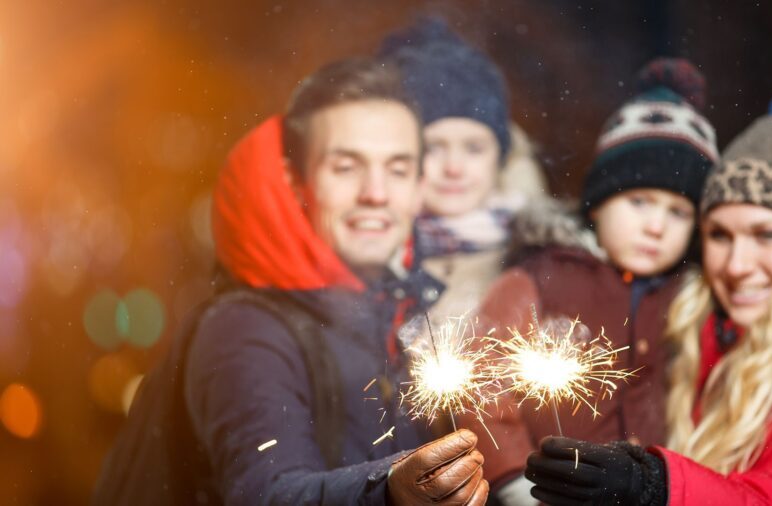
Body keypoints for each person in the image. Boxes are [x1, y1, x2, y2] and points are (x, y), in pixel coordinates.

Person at [94, 57, 489, 506]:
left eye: (397, 168)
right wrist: (388, 492)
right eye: (346, 166)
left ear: (420, 186)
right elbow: (268, 494)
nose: (376, 193)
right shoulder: (244, 328)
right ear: (297, 183)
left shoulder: (413, 319)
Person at [524, 80, 772, 505]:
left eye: (768, 235)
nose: (737, 265)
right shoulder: (693, 337)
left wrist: (655, 487)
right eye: (720, 235)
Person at [458, 58, 719, 505]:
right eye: (639, 201)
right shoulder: (542, 276)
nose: (657, 226)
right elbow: (482, 382)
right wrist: (513, 481)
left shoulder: (688, 297)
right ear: (598, 203)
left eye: (677, 212)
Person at [379, 17, 547, 324]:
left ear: (501, 158)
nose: (454, 169)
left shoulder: (539, 258)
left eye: (474, 148)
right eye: (433, 148)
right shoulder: (376, 258)